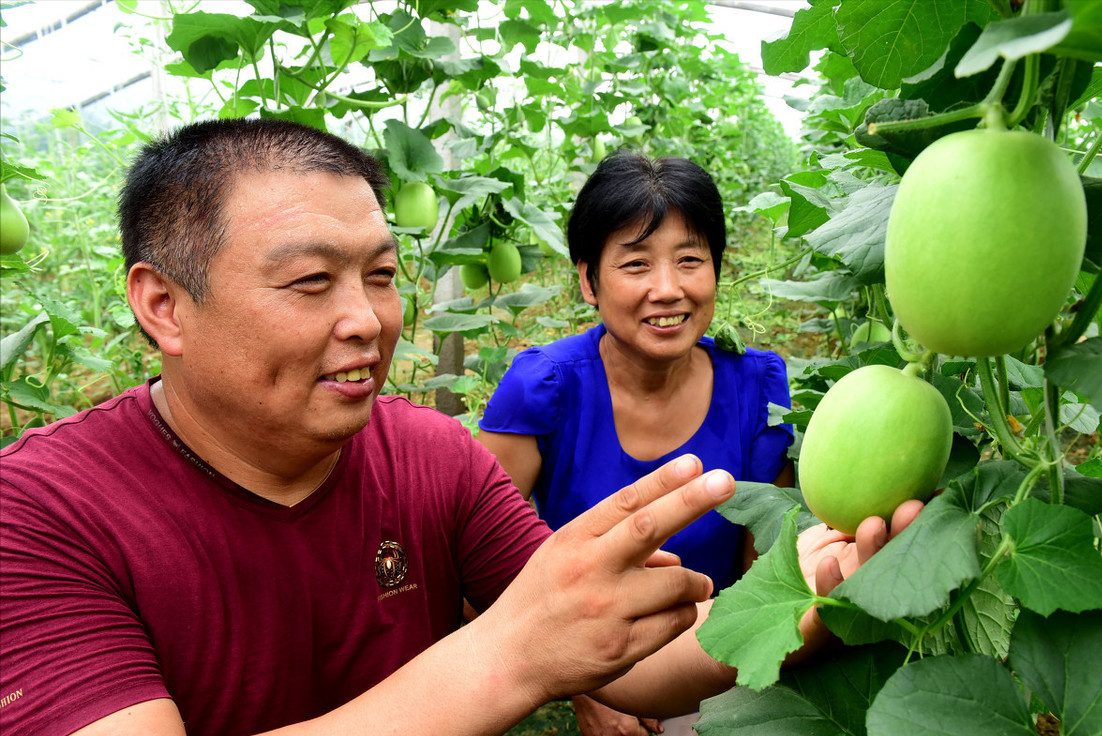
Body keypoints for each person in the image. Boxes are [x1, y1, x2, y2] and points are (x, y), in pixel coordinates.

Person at [0, 119, 918, 736]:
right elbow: (529, 641)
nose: (367, 318)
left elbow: (633, 663)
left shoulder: (433, 459)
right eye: (311, 282)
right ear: (163, 304)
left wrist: (814, 602)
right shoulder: (40, 514)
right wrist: (508, 651)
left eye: (382, 275)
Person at [477, 151, 793, 736]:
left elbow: (764, 570)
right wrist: (585, 682)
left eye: (690, 260)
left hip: (711, 656)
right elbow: (482, 570)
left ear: (717, 271)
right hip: (570, 652)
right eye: (636, 264)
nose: (667, 289)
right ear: (587, 279)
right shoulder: (543, 388)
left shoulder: (759, 386)